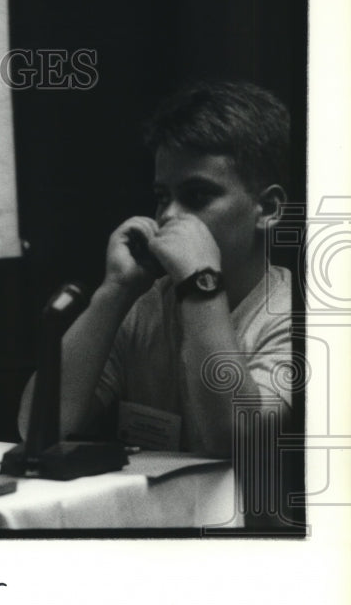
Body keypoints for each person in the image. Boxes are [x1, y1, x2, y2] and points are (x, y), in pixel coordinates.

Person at [19, 80, 293, 461]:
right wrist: (114, 292)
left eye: (197, 196)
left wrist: (201, 286)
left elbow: (234, 442)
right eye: (163, 196)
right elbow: (38, 426)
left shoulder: (301, 319)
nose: (168, 216)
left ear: (267, 209)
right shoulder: (146, 304)